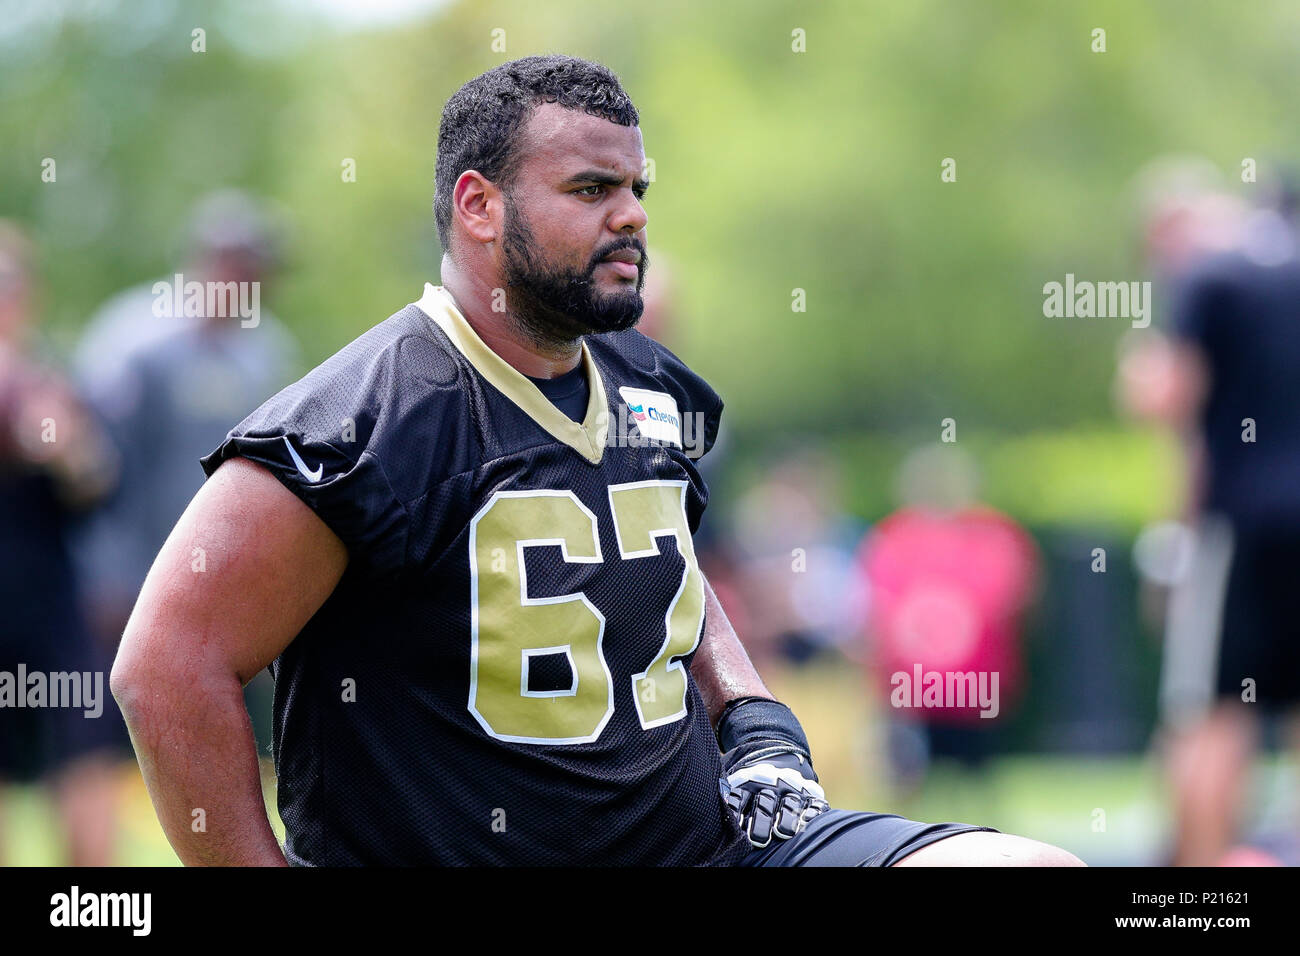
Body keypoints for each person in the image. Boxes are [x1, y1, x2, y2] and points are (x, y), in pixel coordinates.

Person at [110, 55, 1082, 866]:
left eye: (635, 189)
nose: (630, 217)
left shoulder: (652, 387)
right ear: (479, 206)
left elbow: (665, 572)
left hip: (704, 843)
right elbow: (166, 664)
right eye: (589, 189)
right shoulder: (364, 420)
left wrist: (751, 712)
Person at [74, 191, 298, 759]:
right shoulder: (131, 343)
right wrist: (107, 573)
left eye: (258, 267)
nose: (250, 278)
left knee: (218, 732)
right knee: (117, 737)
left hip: (233, 574)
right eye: (239, 263)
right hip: (132, 577)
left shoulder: (265, 351)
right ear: (208, 260)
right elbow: (96, 471)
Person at [1126, 171, 1300, 866]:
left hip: (1245, 527)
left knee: (1213, 714)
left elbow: (1163, 397)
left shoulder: (1210, 279)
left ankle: (1201, 896)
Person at [0, 221, 121, 865]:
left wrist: (64, 447)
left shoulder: (48, 382)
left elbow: (97, 484)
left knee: (82, 764)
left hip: (47, 607)